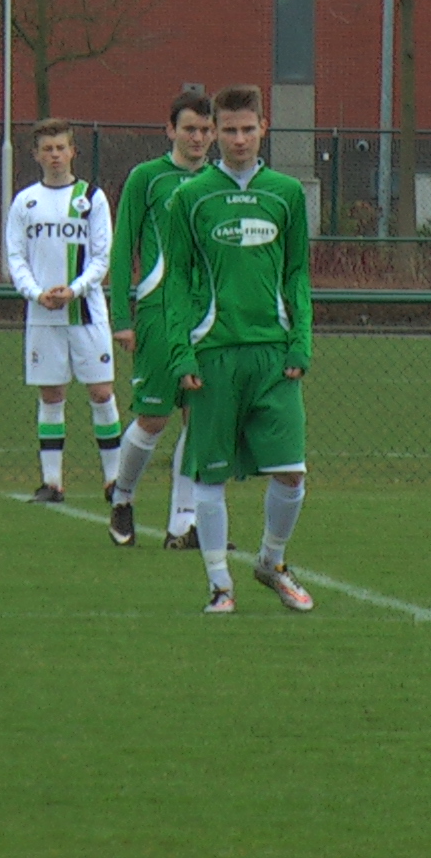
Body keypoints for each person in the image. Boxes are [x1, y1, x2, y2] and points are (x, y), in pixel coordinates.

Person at [161, 85, 315, 615]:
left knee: (292, 472)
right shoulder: (191, 197)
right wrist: (180, 353)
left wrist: (300, 341)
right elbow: (176, 282)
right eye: (228, 130)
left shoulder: (286, 194)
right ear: (214, 133)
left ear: (264, 128)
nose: (239, 139)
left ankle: (271, 561)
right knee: (210, 475)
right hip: (214, 354)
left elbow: (297, 275)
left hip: (274, 355)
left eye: (248, 129)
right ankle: (219, 586)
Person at [106, 90, 216, 548]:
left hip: (205, 317)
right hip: (157, 311)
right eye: (189, 129)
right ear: (170, 130)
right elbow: (123, 247)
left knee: (199, 417)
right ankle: (122, 497)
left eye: (205, 130)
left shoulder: (220, 182)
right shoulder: (147, 178)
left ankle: (182, 523)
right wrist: (121, 316)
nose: (198, 138)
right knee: (153, 417)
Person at [5, 119, 121, 506]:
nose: (55, 155)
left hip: (86, 312)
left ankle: (115, 481)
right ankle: (52, 483)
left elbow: (102, 256)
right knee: (51, 394)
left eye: (61, 148)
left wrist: (75, 290)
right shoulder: (25, 201)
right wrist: (36, 293)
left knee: (101, 392)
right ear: (36, 155)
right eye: (47, 149)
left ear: (73, 151)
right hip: (43, 314)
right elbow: (16, 257)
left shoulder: (92, 198)